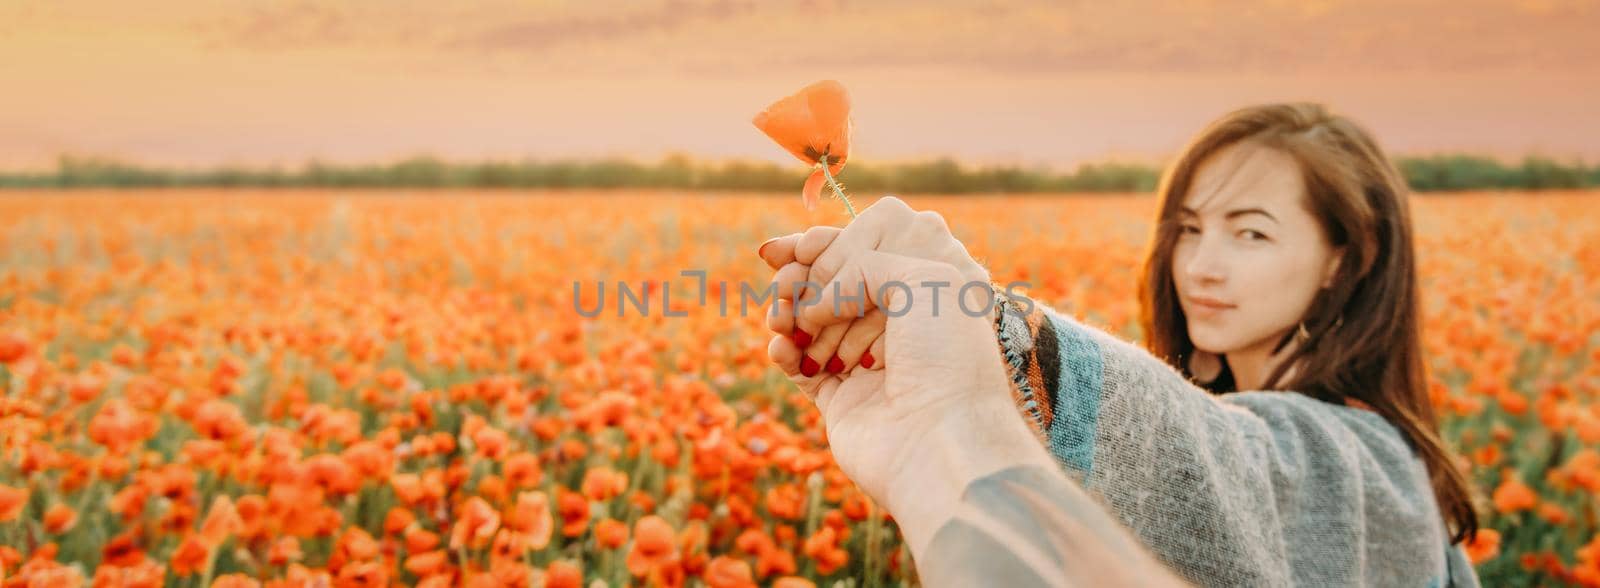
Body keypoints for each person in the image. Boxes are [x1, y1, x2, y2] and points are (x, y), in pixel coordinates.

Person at [757, 103, 1483, 586]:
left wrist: (989, 322)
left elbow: (1223, 460)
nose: (1201, 265)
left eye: (1251, 232)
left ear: (1345, 259)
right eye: (1189, 228)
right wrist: (935, 428)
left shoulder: (1368, 464)